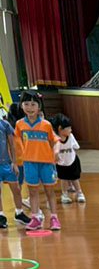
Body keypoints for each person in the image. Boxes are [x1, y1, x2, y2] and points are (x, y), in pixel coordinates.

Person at [13, 91, 60, 231]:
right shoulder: (19, 125)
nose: (30, 107)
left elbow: (55, 141)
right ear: (21, 106)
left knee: (49, 191)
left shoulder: (46, 125)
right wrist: (16, 161)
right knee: (32, 192)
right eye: (26, 104)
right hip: (29, 163)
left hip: (46, 163)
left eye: (33, 104)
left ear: (39, 106)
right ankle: (35, 218)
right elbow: (16, 143)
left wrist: (56, 152)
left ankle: (54, 218)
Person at [51, 115, 85, 205]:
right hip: (61, 163)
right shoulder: (55, 139)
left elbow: (76, 147)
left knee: (75, 179)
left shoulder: (71, 137)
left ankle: (79, 193)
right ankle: (64, 194)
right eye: (68, 128)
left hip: (72, 161)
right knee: (64, 179)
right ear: (60, 128)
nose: (71, 130)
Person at [0, 109, 24, 229]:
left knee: (16, 189)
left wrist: (14, 162)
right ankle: (1, 215)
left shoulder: (5, 125)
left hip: (7, 164)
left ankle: (19, 212)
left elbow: (12, 144)